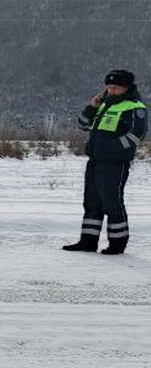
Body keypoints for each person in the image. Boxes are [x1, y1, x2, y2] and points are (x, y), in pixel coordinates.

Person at [64, 69, 146, 255]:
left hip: (115, 163)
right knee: (92, 202)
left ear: (126, 87)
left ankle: (117, 244)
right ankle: (88, 242)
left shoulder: (135, 107)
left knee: (112, 202)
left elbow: (137, 134)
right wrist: (91, 106)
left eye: (115, 87)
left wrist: (113, 148)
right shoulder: (103, 105)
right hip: (95, 161)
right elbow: (83, 124)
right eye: (109, 87)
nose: (111, 90)